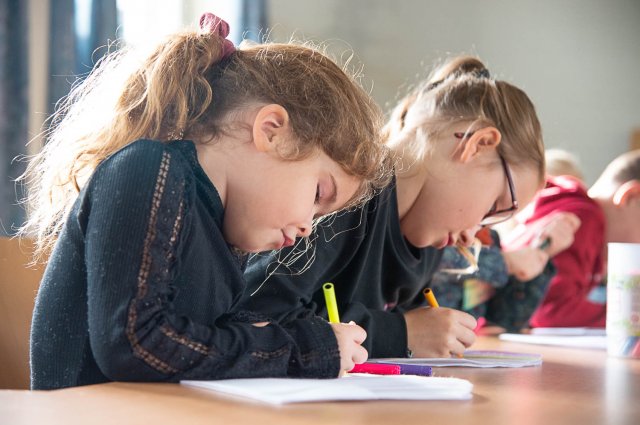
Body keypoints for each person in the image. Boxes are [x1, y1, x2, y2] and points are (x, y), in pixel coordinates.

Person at [19, 13, 391, 390]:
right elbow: (135, 344)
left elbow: (202, 341)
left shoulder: (221, 234)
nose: (308, 226)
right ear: (271, 132)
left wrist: (276, 333)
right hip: (87, 412)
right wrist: (302, 349)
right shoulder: (149, 169)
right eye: (317, 195)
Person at [242, 56, 546, 359]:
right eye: (494, 207)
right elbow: (257, 313)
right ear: (477, 145)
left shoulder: (427, 244)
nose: (471, 236)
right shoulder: (344, 192)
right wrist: (400, 334)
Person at [503, 149, 640, 328]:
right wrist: (629, 315)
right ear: (631, 198)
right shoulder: (584, 218)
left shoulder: (583, 217)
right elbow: (552, 311)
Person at [430, 212, 580, 334]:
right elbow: (431, 261)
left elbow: (506, 320)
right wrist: (504, 262)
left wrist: (542, 251)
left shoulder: (489, 238)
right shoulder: (434, 226)